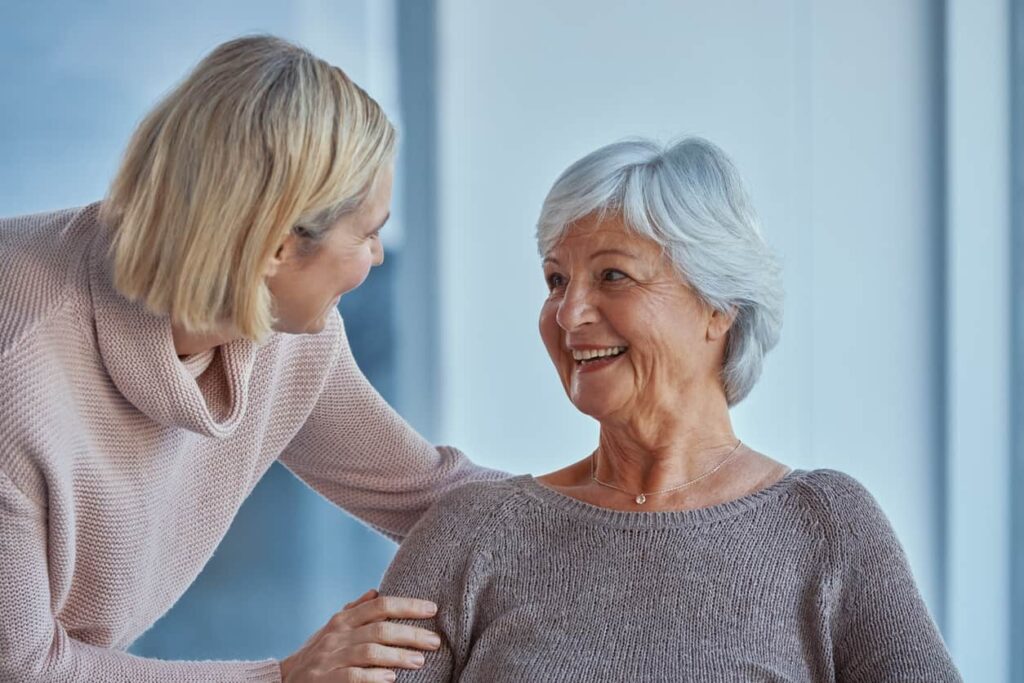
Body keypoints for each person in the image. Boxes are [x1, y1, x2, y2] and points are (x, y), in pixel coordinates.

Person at [0, 35, 504, 683]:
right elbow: (21, 669)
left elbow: (428, 494)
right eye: (370, 233)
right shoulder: (20, 378)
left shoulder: (281, 330)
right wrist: (283, 678)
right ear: (275, 248)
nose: (377, 258)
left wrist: (651, 495)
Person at [379, 137, 962, 681]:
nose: (568, 312)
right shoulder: (472, 530)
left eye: (613, 275)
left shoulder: (827, 527)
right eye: (556, 280)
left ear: (718, 307)